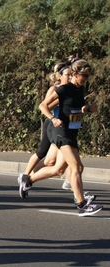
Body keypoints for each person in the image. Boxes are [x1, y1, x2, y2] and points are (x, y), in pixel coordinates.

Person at [19, 59, 103, 217]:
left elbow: (76, 109)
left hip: (72, 132)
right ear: (75, 74)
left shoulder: (80, 89)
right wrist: (53, 118)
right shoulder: (64, 89)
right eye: (83, 75)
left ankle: (28, 180)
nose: (86, 79)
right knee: (76, 167)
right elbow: (42, 105)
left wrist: (88, 109)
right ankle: (81, 204)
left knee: (59, 169)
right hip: (61, 132)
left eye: (87, 76)